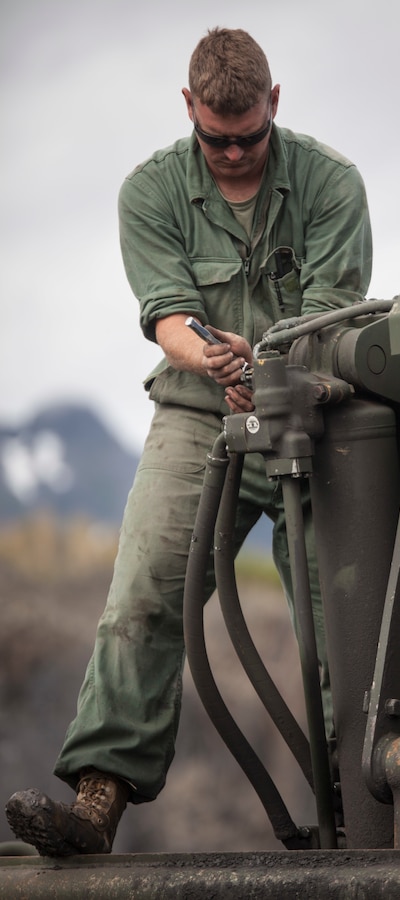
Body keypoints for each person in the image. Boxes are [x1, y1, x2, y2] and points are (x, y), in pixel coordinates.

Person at [5, 27, 372, 856]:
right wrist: (216, 362)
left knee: (338, 612)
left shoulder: (332, 183)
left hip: (314, 414)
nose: (235, 153)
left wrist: (270, 361)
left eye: (250, 137)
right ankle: (98, 802)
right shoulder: (151, 190)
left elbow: (331, 313)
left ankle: (358, 812)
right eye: (217, 138)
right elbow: (168, 317)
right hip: (198, 413)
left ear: (275, 106)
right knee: (142, 592)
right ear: (190, 111)